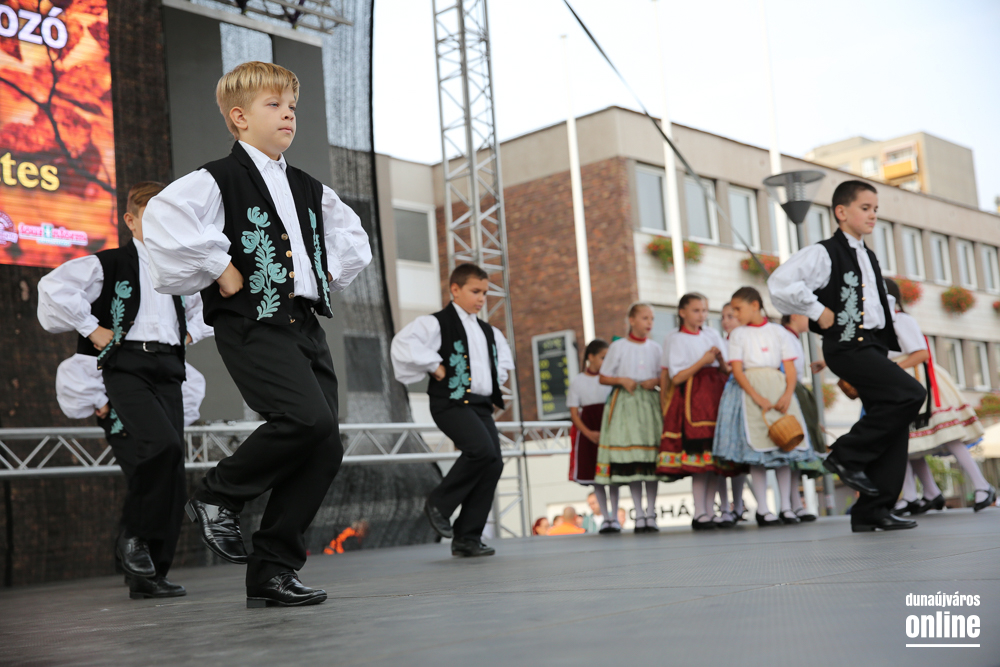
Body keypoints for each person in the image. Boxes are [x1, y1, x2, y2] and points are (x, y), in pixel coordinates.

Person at [141, 62, 372, 607]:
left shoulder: (309, 187)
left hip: (303, 323)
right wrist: (220, 267)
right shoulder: (217, 178)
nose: (288, 114)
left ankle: (272, 570)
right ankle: (217, 494)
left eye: (292, 105)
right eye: (274, 105)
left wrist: (320, 274)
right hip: (252, 320)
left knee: (324, 447)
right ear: (240, 117)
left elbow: (351, 241)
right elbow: (164, 218)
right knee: (305, 419)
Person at [38, 182, 214, 600]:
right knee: (162, 447)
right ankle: (132, 537)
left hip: (168, 366)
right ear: (131, 221)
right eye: (151, 216)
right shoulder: (110, 263)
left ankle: (151, 573)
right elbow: (53, 288)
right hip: (127, 364)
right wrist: (91, 328)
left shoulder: (180, 270)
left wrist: (187, 332)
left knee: (173, 471)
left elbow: (204, 309)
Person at [768, 180, 926, 532]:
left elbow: (877, 305)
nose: (873, 215)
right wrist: (817, 310)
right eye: (865, 208)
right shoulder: (824, 253)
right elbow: (780, 283)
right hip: (847, 345)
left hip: (871, 346)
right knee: (911, 394)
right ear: (841, 212)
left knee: (896, 416)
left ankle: (873, 510)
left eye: (875, 209)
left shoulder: (868, 256)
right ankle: (845, 455)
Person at [55, 353, 207, 594]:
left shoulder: (162, 351)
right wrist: (100, 401)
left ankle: (151, 570)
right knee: (147, 479)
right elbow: (73, 371)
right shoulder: (111, 350)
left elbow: (192, 383)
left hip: (157, 421)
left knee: (171, 486)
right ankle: (135, 555)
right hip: (124, 423)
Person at [391, 263, 515, 558]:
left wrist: (491, 383)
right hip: (451, 402)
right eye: (475, 291)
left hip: (480, 405)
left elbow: (502, 366)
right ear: (455, 290)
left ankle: (467, 537)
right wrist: (435, 365)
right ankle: (439, 503)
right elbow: (403, 344)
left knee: (493, 463)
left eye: (484, 293)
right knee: (481, 451)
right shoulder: (437, 323)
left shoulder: (489, 331)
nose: (481, 298)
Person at [880, 279, 994, 514]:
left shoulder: (901, 320)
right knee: (909, 441)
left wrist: (892, 370)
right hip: (902, 381)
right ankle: (925, 493)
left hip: (918, 381)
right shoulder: (883, 323)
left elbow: (921, 353)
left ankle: (982, 485)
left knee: (948, 435)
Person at [712, 287, 814, 526]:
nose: (735, 314)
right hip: (751, 391)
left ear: (755, 305)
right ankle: (763, 508)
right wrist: (756, 397)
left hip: (778, 387)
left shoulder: (778, 332)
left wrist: (787, 394)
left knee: (784, 446)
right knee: (758, 451)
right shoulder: (738, 335)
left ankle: (786, 507)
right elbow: (737, 370)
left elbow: (789, 367)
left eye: (738, 309)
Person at [658, 293, 731, 530]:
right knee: (698, 460)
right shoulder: (676, 338)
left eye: (704, 310)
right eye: (696, 310)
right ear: (682, 312)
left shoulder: (711, 334)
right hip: (692, 400)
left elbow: (725, 369)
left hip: (715, 398)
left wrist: (719, 360)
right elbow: (676, 376)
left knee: (713, 462)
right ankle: (700, 511)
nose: (702, 315)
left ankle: (711, 510)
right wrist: (703, 360)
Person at [594, 303, 662, 533]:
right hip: (626, 403)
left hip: (649, 403)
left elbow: (664, 376)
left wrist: (656, 381)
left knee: (649, 459)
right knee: (634, 460)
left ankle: (651, 512)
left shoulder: (655, 348)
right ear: (632, 320)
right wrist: (622, 380)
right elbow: (603, 377)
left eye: (651, 318)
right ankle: (639, 513)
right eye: (645, 318)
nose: (649, 323)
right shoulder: (618, 347)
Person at [779, 314, 827, 522]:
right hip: (788, 390)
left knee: (797, 448)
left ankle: (795, 503)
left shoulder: (793, 338)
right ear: (795, 316)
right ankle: (787, 504)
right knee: (790, 444)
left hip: (795, 390)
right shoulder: (783, 336)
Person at [567, 340, 617, 533]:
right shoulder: (578, 381)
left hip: (610, 429)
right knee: (597, 478)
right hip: (589, 431)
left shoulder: (611, 379)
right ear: (591, 357)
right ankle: (606, 518)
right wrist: (588, 433)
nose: (606, 362)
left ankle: (614, 517)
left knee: (612, 476)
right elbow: (574, 413)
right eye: (603, 358)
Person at [718, 303, 748, 522]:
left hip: (742, 395)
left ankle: (738, 504)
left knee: (739, 454)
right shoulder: (720, 342)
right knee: (722, 455)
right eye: (723, 317)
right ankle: (724, 506)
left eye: (731, 316)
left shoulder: (746, 339)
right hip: (722, 396)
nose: (726, 321)